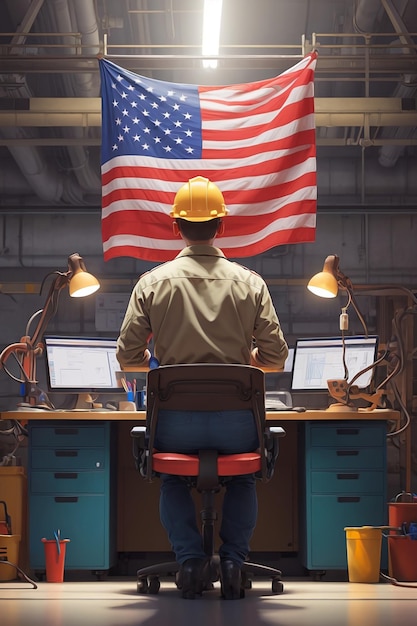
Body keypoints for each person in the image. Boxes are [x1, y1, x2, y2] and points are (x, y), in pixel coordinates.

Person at [116, 175, 288, 600]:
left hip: (175, 428)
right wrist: (244, 365)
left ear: (176, 227)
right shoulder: (251, 284)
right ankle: (232, 563)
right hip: (237, 429)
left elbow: (126, 357)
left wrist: (161, 368)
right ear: (222, 226)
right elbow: (276, 357)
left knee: (174, 479)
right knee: (243, 478)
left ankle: (191, 561)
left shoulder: (152, 283)